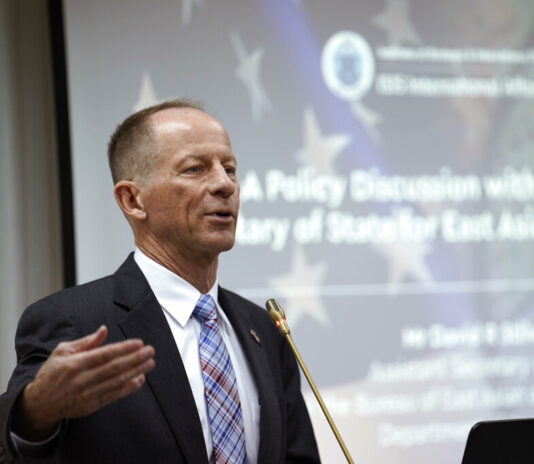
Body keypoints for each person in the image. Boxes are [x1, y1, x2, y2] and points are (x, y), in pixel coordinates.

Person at [0, 100, 321, 463]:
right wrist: (36, 410)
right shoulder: (73, 321)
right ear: (132, 199)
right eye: (195, 168)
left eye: (230, 169)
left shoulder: (263, 328)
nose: (224, 184)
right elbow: (17, 443)